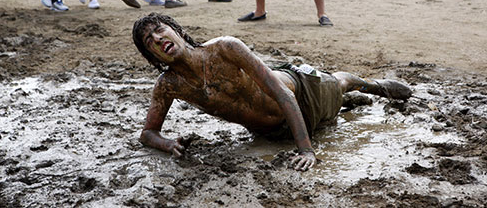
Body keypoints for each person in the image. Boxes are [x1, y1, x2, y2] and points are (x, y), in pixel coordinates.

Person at [132, 12, 412, 171]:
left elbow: (284, 95)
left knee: (337, 85)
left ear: (177, 31)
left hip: (302, 93)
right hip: (273, 131)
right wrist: (169, 144)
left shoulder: (225, 48)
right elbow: (147, 134)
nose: (158, 39)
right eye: (150, 41)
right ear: (152, 56)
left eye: (160, 30)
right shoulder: (168, 86)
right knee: (335, 111)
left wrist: (307, 150)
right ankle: (348, 101)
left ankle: (373, 85)